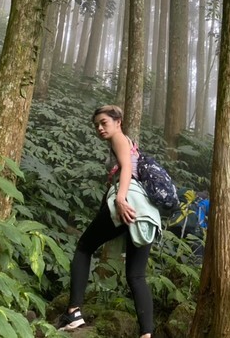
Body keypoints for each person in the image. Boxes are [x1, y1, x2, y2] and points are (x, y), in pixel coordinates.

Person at [58, 105, 158, 338]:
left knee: (84, 248)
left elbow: (126, 171)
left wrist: (120, 199)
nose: (100, 128)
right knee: (136, 275)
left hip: (128, 202)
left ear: (118, 122)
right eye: (96, 125)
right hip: (145, 212)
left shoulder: (120, 140)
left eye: (104, 122)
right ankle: (147, 334)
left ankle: (73, 313)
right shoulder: (130, 143)